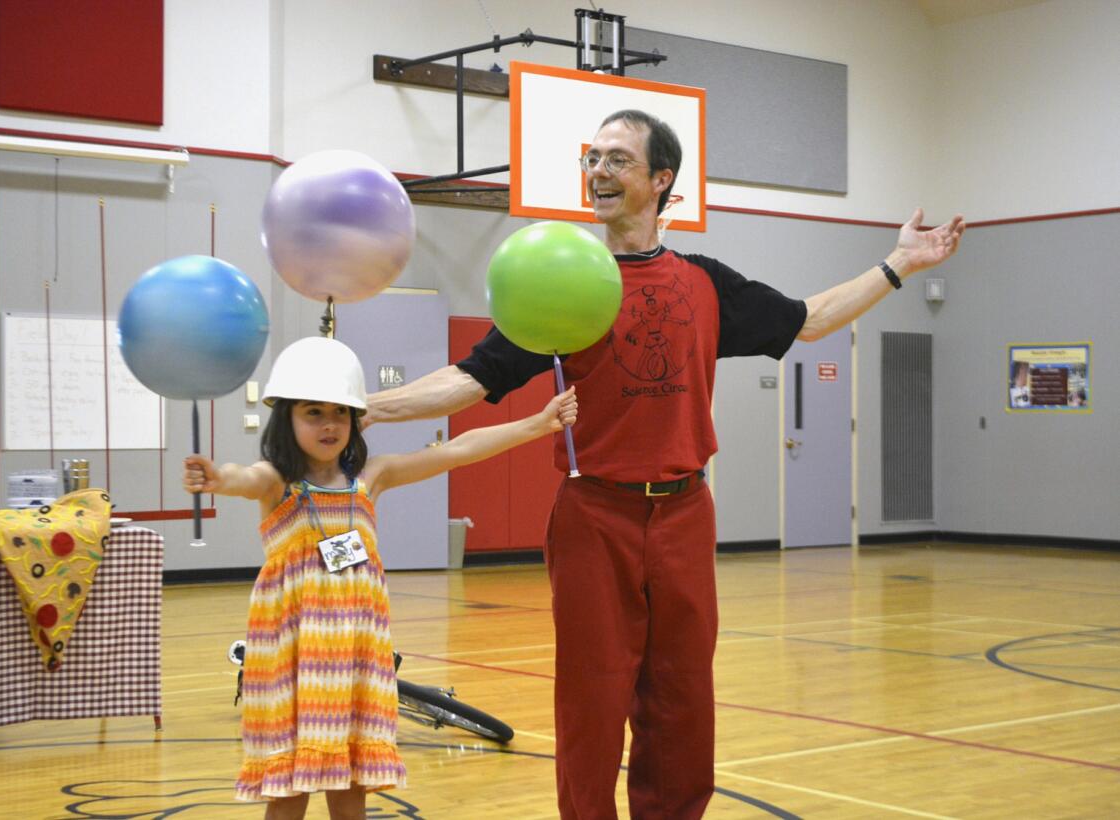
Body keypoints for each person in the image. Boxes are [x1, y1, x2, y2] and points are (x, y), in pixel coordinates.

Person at [363, 109, 966, 819]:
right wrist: (366, 407)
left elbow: (810, 318)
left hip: (684, 514)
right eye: (592, 158)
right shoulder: (564, 287)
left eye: (617, 159)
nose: (598, 172)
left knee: (682, 701)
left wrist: (901, 265)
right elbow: (471, 378)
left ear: (660, 180)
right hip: (595, 516)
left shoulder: (706, 284)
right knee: (591, 701)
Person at [182, 336, 577, 820]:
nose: (329, 425)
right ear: (286, 417)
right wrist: (216, 478)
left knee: (353, 788)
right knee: (287, 795)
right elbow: (240, 478)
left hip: (355, 663)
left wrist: (538, 424)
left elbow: (457, 451)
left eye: (341, 413)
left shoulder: (372, 477)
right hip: (293, 662)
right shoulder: (276, 483)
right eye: (313, 413)